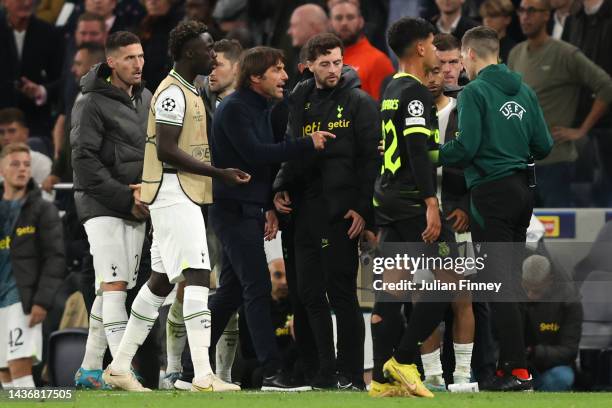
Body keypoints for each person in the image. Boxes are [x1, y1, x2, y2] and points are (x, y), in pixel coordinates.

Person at [102, 20, 249, 392]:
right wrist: (219, 172)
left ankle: (119, 366)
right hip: (173, 191)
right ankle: (202, 374)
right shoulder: (171, 93)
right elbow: (167, 148)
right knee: (198, 274)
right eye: (207, 47)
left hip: (180, 191)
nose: (213, 54)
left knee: (161, 282)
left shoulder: (190, 89)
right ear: (188, 52)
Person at [208, 46, 333, 391]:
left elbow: (258, 167)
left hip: (246, 208)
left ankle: (192, 365)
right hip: (232, 210)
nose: (285, 76)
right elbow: (256, 154)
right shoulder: (235, 108)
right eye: (277, 70)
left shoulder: (262, 107)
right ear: (255, 77)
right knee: (258, 288)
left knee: (230, 293)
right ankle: (272, 372)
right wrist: (306, 144)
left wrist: (267, 206)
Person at [440, 26, 554, 391]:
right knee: (510, 284)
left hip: (491, 193)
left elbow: (466, 148)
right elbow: (545, 144)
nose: (461, 66)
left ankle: (517, 371)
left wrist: (427, 152)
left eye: (460, 59)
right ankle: (512, 368)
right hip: (524, 191)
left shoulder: (474, 92)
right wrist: (513, 150)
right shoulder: (525, 90)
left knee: (498, 285)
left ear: (470, 55)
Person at [273, 33, 380, 390]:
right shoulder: (299, 98)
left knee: (342, 294)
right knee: (308, 294)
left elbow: (370, 162)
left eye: (337, 62)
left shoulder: (360, 102)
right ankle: (322, 370)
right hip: (304, 208)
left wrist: (364, 210)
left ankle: (352, 374)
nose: (333, 70)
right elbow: (291, 144)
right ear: (308, 66)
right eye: (324, 64)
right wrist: (280, 187)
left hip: (341, 212)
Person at [369, 17, 457, 399]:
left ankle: (380, 382)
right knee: (448, 276)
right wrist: (431, 204)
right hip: (409, 202)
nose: (437, 50)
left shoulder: (391, 87)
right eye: (434, 44)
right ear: (421, 48)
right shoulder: (417, 93)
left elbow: (412, 148)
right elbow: (418, 153)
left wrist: (460, 150)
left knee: (391, 290)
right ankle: (402, 360)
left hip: (386, 196)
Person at [71, 31, 152, 390]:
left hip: (135, 205)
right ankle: (122, 370)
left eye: (141, 56)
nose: (138, 64)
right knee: (116, 284)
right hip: (101, 204)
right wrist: (124, 197)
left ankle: (90, 368)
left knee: (111, 287)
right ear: (112, 62)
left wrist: (144, 195)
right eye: (130, 58)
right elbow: (83, 162)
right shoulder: (89, 102)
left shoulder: (147, 98)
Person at [165, 38, 243, 390]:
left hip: (231, 206)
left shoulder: (250, 105)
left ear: (238, 70)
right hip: (199, 202)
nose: (213, 69)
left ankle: (221, 374)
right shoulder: (195, 98)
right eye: (211, 61)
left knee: (227, 289)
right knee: (189, 283)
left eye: (220, 64)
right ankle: (174, 370)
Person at [508, 0, 612, 207]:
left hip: (556, 162)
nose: (525, 16)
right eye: (521, 11)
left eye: (531, 11)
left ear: (547, 15)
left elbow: (606, 86)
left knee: (560, 234)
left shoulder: (566, 53)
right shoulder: (515, 53)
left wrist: (581, 130)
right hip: (520, 163)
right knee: (524, 233)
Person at [0, 143, 65, 389]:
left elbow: (55, 258)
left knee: (19, 367)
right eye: (15, 164)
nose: (22, 169)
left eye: (27, 165)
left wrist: (42, 301)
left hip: (23, 300)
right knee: (4, 372)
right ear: (2, 169)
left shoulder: (43, 210)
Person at [42, 42, 107, 193]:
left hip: (97, 187)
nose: (73, 69)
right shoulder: (80, 95)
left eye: (78, 64)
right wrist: (56, 173)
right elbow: (70, 141)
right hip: (75, 183)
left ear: (95, 67)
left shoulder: (110, 100)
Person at [0, 0, 64, 140]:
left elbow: (63, 80)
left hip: (36, 126)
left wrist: (42, 91)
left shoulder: (50, 34)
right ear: (4, 2)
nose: (26, 2)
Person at [522, 254, 582, 391]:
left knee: (560, 378)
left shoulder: (569, 303)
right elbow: (492, 342)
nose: (530, 295)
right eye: (526, 289)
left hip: (551, 368)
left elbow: (569, 350)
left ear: (550, 281)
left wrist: (534, 352)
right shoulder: (509, 298)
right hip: (516, 367)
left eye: (536, 291)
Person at [329, 0, 394, 101]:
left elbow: (385, 109)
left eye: (350, 17)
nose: (344, 23)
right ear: (330, 23)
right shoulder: (323, 60)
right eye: (338, 18)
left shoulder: (378, 60)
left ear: (361, 21)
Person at [0, 109, 52, 186]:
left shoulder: (41, 162)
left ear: (25, 133)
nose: (6, 137)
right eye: (1, 132)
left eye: (12, 131)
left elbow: (46, 197)